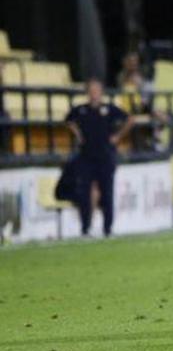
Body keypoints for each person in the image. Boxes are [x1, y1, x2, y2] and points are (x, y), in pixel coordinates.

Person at [65, 78, 134, 237]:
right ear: (87, 93)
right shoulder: (81, 110)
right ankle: (85, 228)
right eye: (91, 90)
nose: (94, 94)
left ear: (101, 92)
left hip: (105, 157)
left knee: (107, 192)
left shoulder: (109, 109)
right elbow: (68, 121)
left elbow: (130, 119)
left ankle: (108, 228)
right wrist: (77, 135)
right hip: (86, 157)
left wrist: (117, 136)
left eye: (96, 90)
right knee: (84, 193)